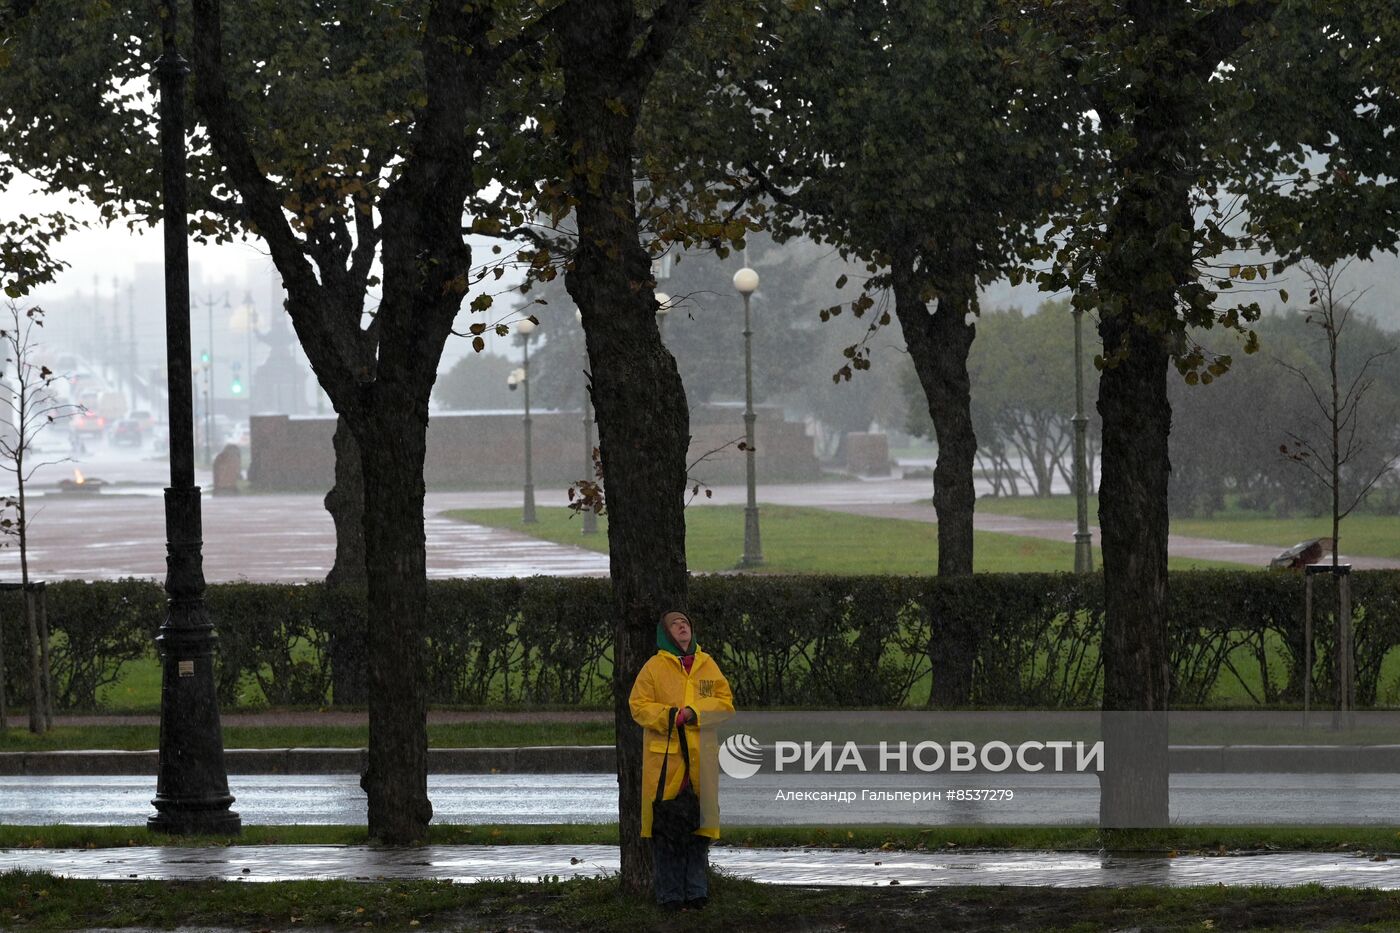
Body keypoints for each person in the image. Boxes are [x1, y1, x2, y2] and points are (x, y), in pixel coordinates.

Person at [629, 609, 734, 911]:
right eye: (675, 625)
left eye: (685, 622)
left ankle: (697, 893)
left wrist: (696, 713)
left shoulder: (707, 665)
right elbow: (638, 705)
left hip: (700, 760)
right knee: (667, 831)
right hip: (667, 764)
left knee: (698, 832)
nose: (682, 627)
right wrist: (670, 716)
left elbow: (725, 704)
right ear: (666, 635)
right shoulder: (654, 668)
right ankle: (671, 896)